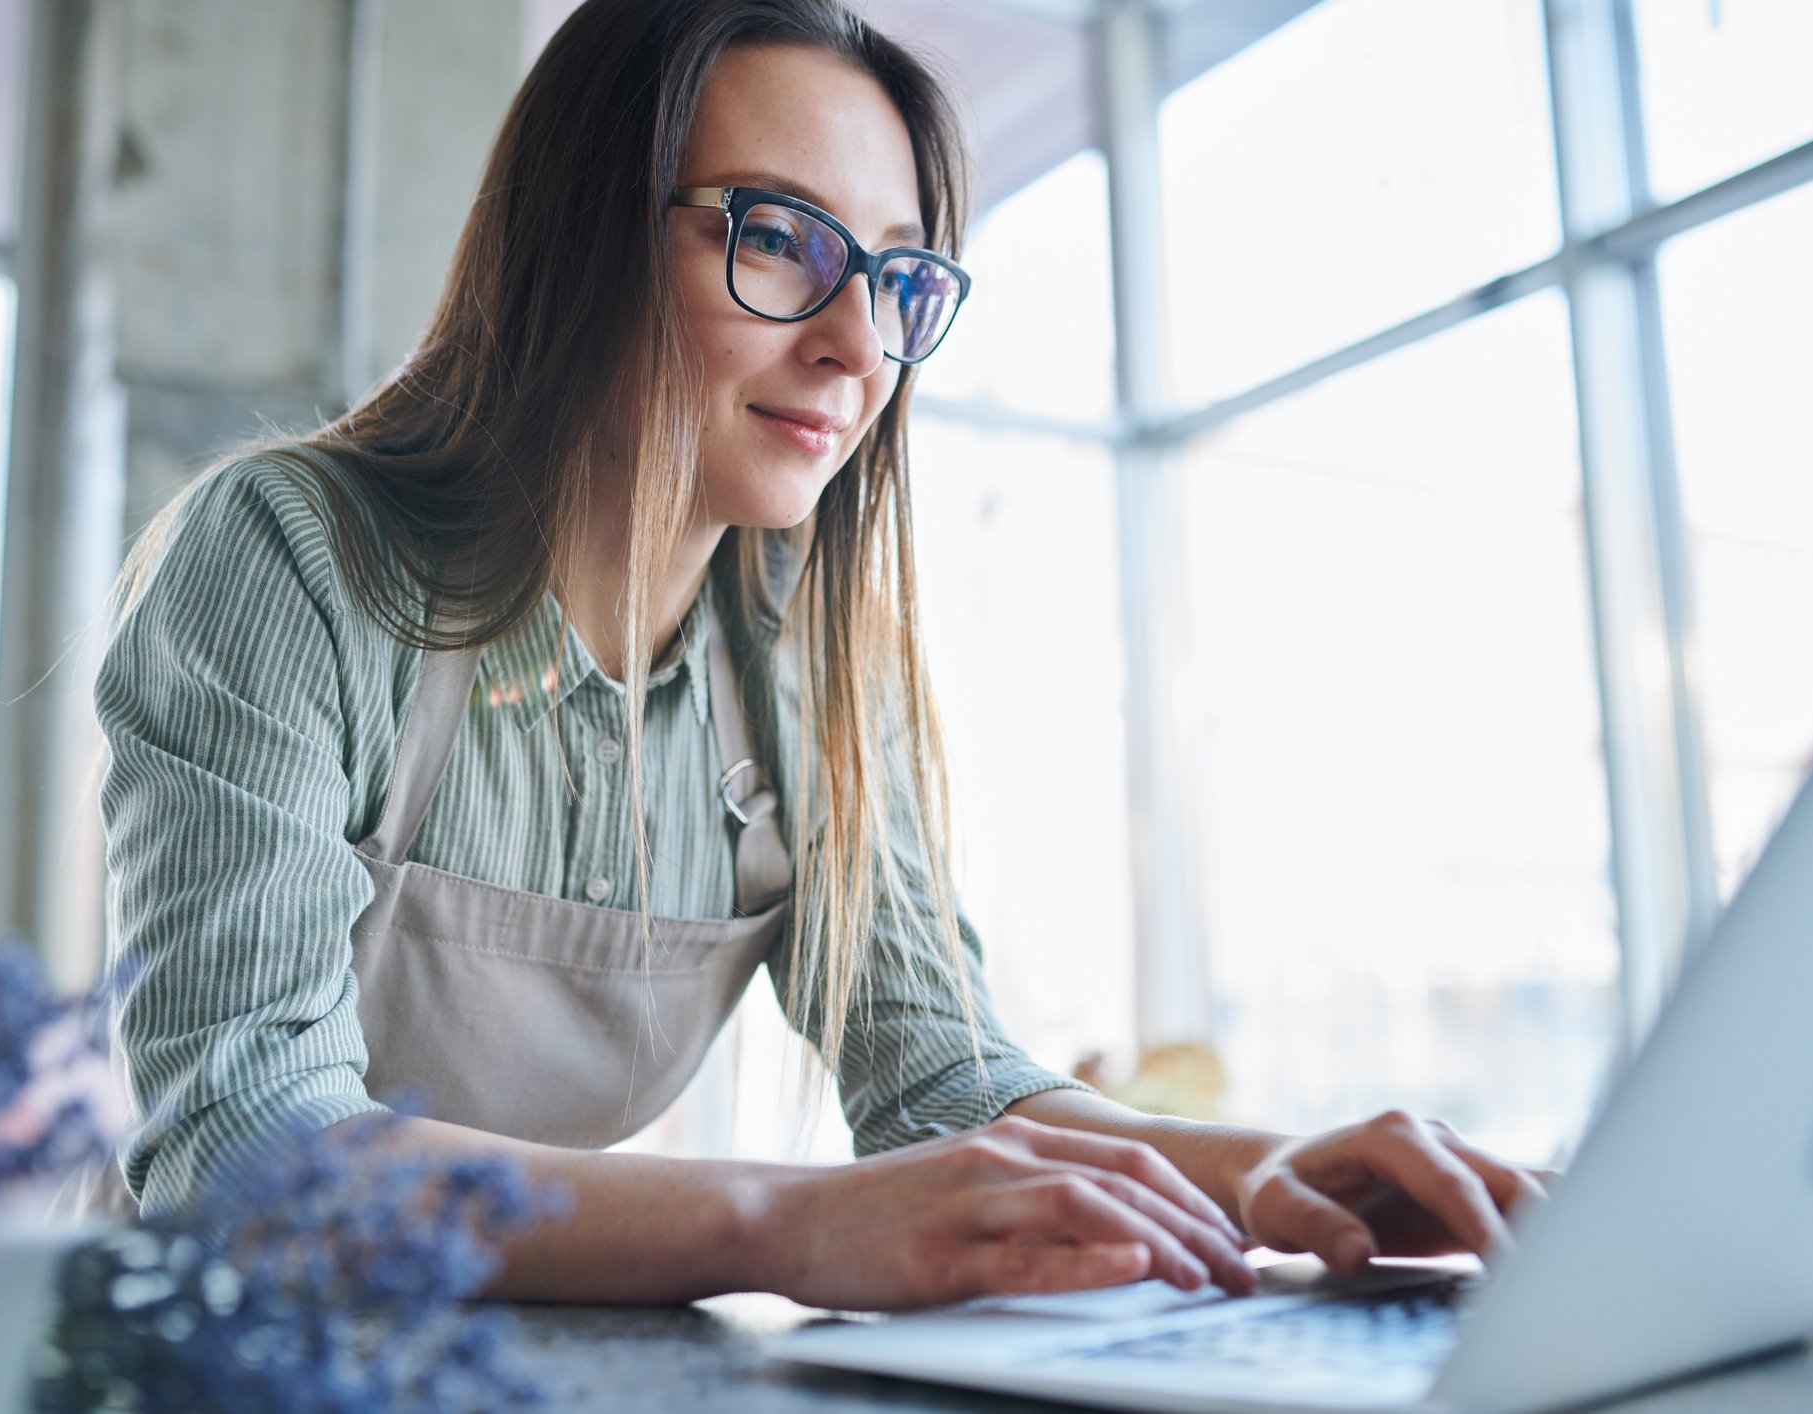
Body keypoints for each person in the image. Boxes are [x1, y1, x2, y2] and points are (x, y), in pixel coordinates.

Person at [96, 0, 1546, 1311]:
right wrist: (788, 1223)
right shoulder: (290, 555)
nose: (858, 343)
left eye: (899, 275)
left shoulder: (809, 660)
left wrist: (1270, 1166)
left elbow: (943, 1085)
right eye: (777, 236)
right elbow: (249, 1149)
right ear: (583, 230)